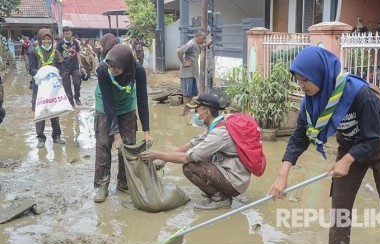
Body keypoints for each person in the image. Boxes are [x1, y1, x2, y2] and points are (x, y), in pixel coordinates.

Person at [267, 47, 380, 244]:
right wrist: (282, 175)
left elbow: (372, 136)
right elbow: (298, 139)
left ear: (321, 74)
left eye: (305, 79)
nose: (301, 85)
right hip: (350, 144)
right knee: (340, 202)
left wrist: (347, 160)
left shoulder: (358, 92)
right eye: (298, 79)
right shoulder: (310, 103)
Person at [140, 94, 251, 210]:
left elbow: (187, 158)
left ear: (206, 113)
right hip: (232, 172)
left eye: (197, 111)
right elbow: (192, 144)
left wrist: (158, 155)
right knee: (200, 155)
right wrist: (164, 161)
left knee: (189, 167)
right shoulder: (215, 126)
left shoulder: (219, 134)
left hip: (236, 180)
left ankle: (220, 199)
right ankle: (219, 191)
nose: (195, 115)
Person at [93, 41, 153, 203]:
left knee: (128, 144)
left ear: (126, 65)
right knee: (104, 143)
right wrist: (115, 134)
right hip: (105, 107)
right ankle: (102, 184)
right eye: (111, 65)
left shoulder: (138, 71)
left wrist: (147, 131)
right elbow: (109, 103)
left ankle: (124, 182)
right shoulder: (103, 70)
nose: (113, 70)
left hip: (127, 106)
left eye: (117, 67)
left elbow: (142, 100)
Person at [28, 28, 66, 148]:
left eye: (48, 39)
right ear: (40, 40)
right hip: (39, 86)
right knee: (40, 111)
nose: (46, 41)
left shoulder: (56, 52)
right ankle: (40, 138)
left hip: (53, 86)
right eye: (44, 39)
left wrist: (55, 72)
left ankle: (57, 136)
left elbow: (61, 66)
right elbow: (31, 69)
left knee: (54, 109)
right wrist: (43, 72)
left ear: (52, 39)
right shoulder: (34, 52)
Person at [176, 30, 209, 116]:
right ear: (197, 37)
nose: (204, 40)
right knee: (187, 93)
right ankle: (184, 112)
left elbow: (201, 46)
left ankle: (186, 110)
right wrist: (183, 62)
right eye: (203, 38)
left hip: (193, 72)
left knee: (191, 93)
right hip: (187, 72)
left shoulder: (196, 44)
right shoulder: (191, 44)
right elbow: (179, 51)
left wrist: (207, 44)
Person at [56, 26, 82, 107]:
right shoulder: (60, 43)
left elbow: (78, 54)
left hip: (74, 66)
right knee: (67, 85)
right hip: (65, 67)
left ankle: (77, 97)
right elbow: (57, 54)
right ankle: (71, 101)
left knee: (77, 82)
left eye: (69, 33)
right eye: (66, 34)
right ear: (63, 34)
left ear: (71, 33)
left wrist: (81, 66)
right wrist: (61, 63)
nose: (67, 35)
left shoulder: (75, 42)